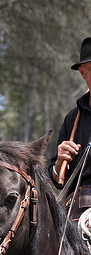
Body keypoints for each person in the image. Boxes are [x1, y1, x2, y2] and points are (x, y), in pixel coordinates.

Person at [49, 37, 91, 220]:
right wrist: (60, 161)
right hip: (75, 213)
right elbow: (57, 180)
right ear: (83, 73)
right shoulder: (72, 118)